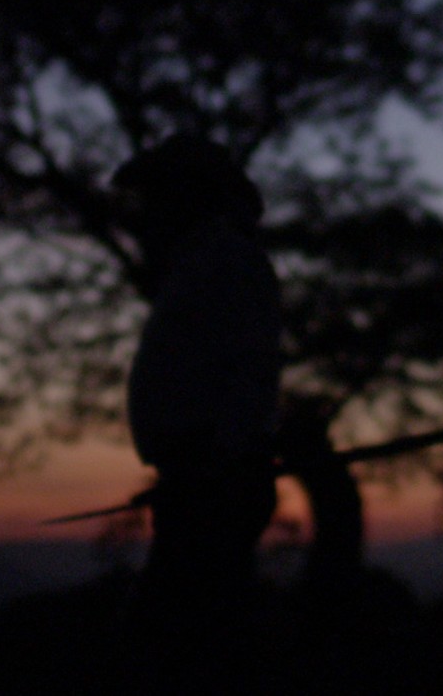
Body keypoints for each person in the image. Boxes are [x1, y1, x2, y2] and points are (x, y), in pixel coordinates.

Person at [112, 134, 285, 691]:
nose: (143, 213)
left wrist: (215, 466)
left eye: (153, 196)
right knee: (191, 642)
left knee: (178, 647)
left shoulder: (224, 262)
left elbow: (248, 372)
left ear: (187, 196)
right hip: (202, 480)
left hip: (212, 485)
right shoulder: (202, 263)